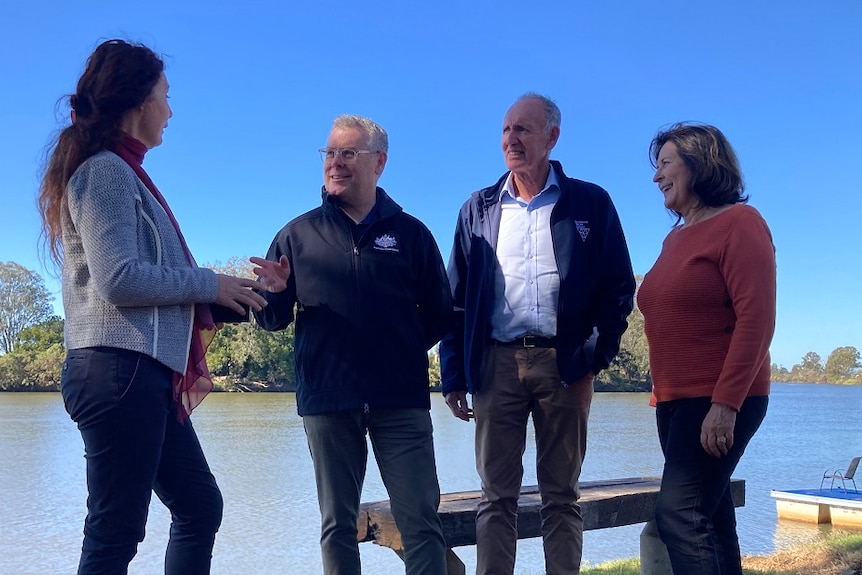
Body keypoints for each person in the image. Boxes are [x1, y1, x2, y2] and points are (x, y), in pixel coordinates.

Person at [37, 39, 267, 575]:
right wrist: (208, 284)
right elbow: (119, 280)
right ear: (140, 100)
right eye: (166, 94)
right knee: (115, 532)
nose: (171, 109)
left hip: (140, 374)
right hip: (117, 370)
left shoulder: (123, 171)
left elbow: (154, 289)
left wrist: (241, 293)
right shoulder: (105, 171)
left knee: (198, 507)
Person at [438, 93, 635, 575]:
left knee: (562, 496)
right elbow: (455, 302)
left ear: (552, 136)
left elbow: (618, 288)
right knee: (496, 498)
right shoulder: (478, 208)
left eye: (523, 130)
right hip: (496, 365)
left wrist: (594, 356)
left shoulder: (590, 202)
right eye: (506, 131)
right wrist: (454, 374)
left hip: (566, 365)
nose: (511, 140)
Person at [251, 114, 452, 575]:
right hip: (327, 400)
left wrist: (396, 352)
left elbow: (440, 314)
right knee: (338, 524)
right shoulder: (296, 235)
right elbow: (273, 322)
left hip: (399, 402)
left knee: (421, 521)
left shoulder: (412, 235)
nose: (335, 163)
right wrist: (276, 295)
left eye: (348, 153)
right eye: (329, 153)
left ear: (379, 162)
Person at [638, 122, 776, 575]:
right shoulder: (675, 236)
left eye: (665, 164)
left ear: (699, 164)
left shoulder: (740, 223)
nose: (656, 176)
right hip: (675, 401)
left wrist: (725, 403)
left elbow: (756, 318)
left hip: (717, 398)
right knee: (710, 517)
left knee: (677, 514)